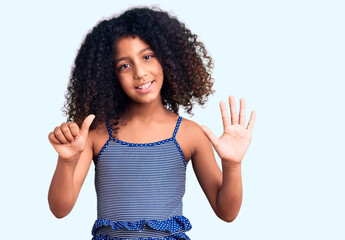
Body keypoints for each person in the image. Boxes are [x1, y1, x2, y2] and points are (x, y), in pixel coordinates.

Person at [48, 6, 256, 240]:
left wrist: (232, 164)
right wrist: (66, 162)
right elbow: (60, 209)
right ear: (109, 75)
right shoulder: (96, 135)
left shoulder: (189, 134)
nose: (140, 72)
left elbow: (226, 212)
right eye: (124, 65)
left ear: (168, 59)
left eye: (147, 57)